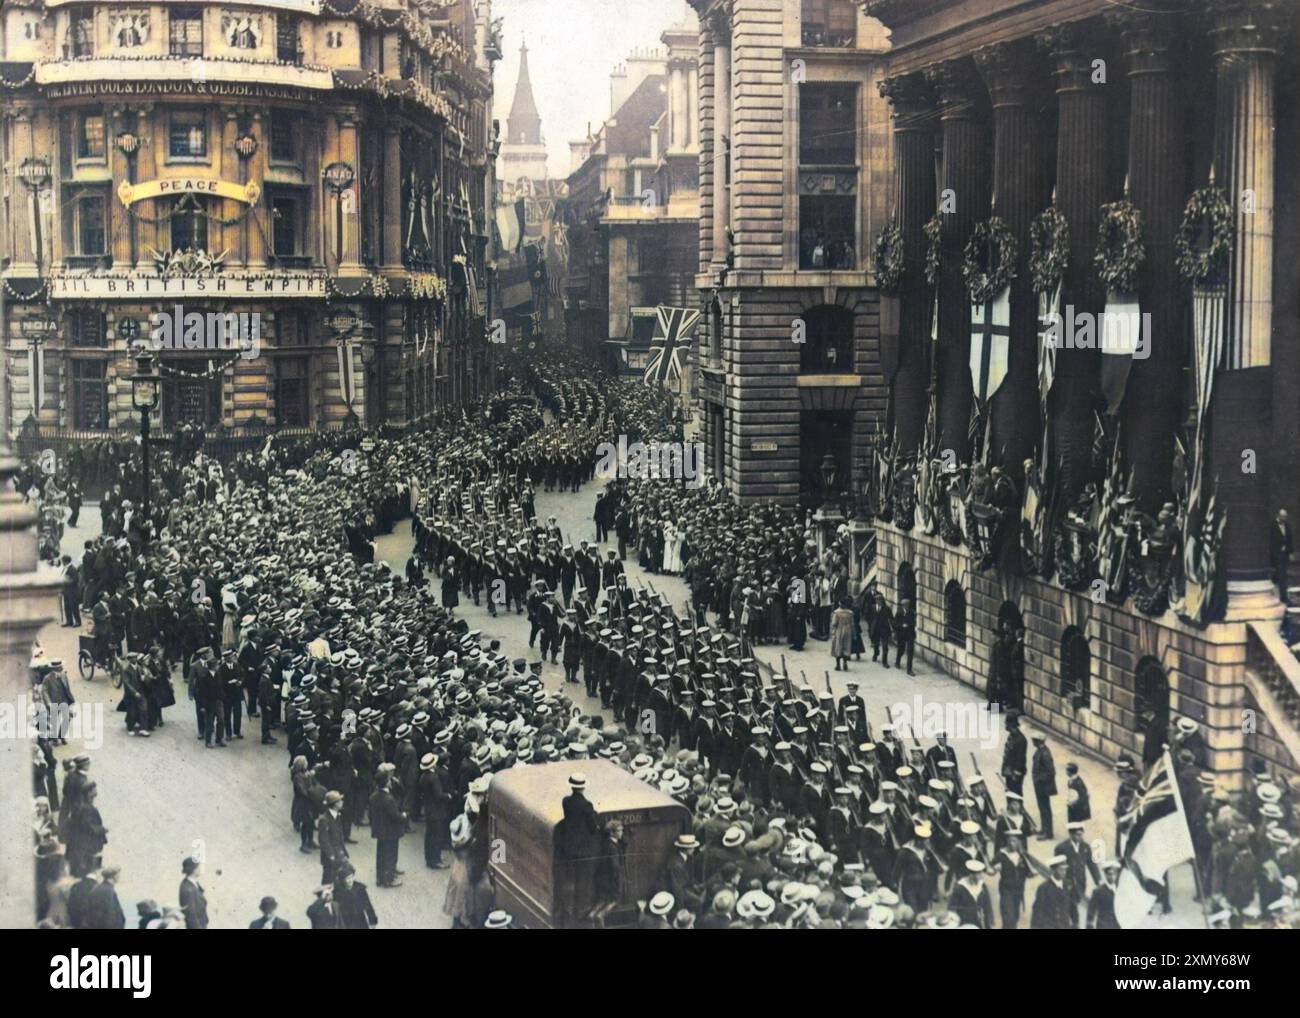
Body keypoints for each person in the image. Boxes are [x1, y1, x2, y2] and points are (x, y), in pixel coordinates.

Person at [557, 772, 601, 927]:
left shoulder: (566, 802)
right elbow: (593, 827)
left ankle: (568, 909)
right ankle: (581, 910)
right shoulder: (587, 805)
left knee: (571, 880)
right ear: (583, 788)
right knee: (584, 881)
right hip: (583, 850)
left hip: (569, 848)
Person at [369, 766, 407, 888]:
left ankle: (380, 878)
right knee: (390, 854)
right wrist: (403, 815)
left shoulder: (373, 796)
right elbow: (395, 816)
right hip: (390, 831)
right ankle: (389, 879)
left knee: (381, 855)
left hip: (379, 830)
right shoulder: (389, 799)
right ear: (387, 782)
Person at [1031, 855, 1075, 929]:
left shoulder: (1068, 886)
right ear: (1054, 870)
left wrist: (1076, 923)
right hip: (1048, 925)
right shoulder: (1043, 888)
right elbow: (1037, 910)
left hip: (1064, 925)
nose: (1064, 872)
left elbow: (1073, 906)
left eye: (1065, 869)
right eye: (1061, 869)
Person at [333, 862, 378, 929]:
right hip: (346, 921)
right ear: (342, 879)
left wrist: (372, 920)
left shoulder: (360, 889)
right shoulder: (338, 892)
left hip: (360, 920)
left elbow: (368, 905)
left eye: (351, 877)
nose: (350, 880)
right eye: (347, 878)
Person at [1031, 735, 1057, 840]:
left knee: (1045, 809)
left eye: (1034, 740)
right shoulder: (1041, 751)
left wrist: (1039, 779)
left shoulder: (1045, 753)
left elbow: (1051, 772)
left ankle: (1048, 833)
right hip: (1040, 785)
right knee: (1042, 808)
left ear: (1038, 741)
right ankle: (1044, 829)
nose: (1033, 742)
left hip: (1043, 786)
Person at [179, 855, 209, 930]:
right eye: (198, 867)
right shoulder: (187, 889)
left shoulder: (192, 883)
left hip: (201, 924)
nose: (200, 869)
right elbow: (191, 916)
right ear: (193, 869)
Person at [1270, 509, 1292, 601]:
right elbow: (1270, 542)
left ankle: (1284, 598)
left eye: (1285, 516)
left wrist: (1290, 552)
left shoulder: (1287, 525)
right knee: (1279, 577)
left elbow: (1290, 539)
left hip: (1285, 555)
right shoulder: (1272, 526)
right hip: (1276, 556)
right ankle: (1281, 598)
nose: (1284, 518)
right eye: (1282, 516)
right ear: (1278, 515)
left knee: (1283, 577)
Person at [830, 597, 854, 671]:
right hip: (848, 631)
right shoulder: (850, 613)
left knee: (838, 647)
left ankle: (838, 665)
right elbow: (852, 624)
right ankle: (845, 663)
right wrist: (853, 633)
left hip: (839, 631)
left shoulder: (837, 613)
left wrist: (833, 633)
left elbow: (834, 624)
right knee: (846, 647)